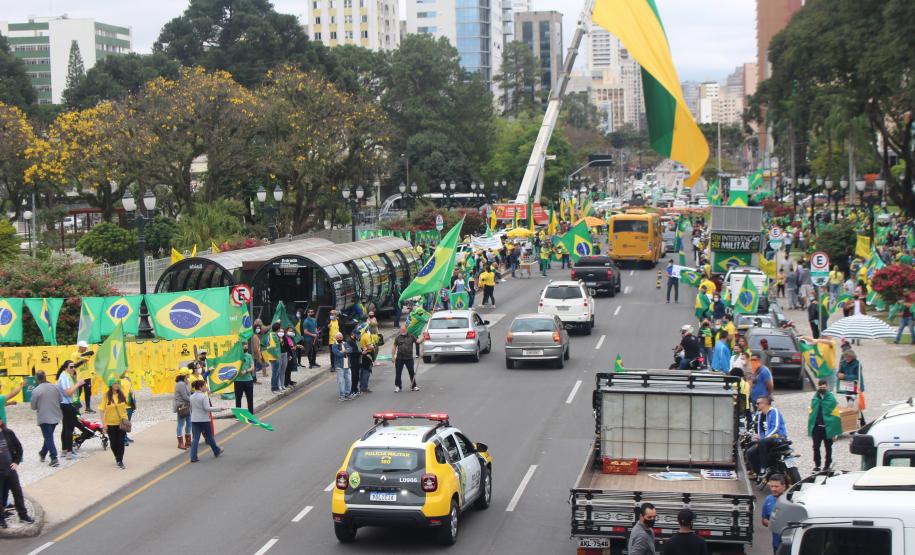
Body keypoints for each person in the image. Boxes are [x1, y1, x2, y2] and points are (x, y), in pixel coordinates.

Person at [0, 418, 33, 529]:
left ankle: (23, 516)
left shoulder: (8, 433)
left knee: (17, 492)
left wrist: (16, 462)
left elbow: (19, 448)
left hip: (10, 470)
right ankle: (1, 519)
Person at [746, 396, 787, 479]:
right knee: (750, 451)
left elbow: (776, 427)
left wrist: (764, 438)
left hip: (777, 437)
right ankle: (758, 474)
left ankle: (763, 468)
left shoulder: (774, 412)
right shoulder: (760, 415)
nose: (756, 405)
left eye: (758, 403)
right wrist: (759, 437)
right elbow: (760, 429)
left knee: (761, 442)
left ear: (765, 404)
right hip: (766, 440)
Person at [808, 379, 841, 471]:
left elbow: (835, 416)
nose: (822, 388)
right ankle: (817, 465)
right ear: (818, 387)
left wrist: (834, 432)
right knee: (816, 447)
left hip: (828, 428)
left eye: (824, 387)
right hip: (817, 428)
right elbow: (812, 413)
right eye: (820, 387)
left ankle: (827, 465)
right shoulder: (815, 398)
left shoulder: (831, 398)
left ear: (826, 387)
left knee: (828, 447)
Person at [29, 371, 61, 467]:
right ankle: (43, 453)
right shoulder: (55, 387)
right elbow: (61, 400)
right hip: (55, 415)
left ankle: (54, 457)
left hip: (44, 417)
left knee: (48, 437)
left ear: (37, 379)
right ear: (45, 377)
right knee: (49, 436)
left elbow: (33, 406)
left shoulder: (36, 390)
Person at [56, 360, 85, 460]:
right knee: (69, 428)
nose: (73, 369)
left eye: (74, 367)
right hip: (67, 404)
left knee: (65, 428)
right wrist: (78, 384)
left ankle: (64, 450)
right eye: (71, 367)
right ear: (65, 368)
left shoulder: (67, 376)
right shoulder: (64, 377)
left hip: (65, 404)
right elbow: (68, 392)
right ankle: (69, 452)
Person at [189, 380, 223, 463]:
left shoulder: (191, 396)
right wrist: (219, 409)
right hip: (204, 419)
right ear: (200, 387)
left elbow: (191, 408)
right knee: (209, 436)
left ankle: (193, 457)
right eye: (205, 386)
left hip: (194, 419)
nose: (206, 387)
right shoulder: (204, 396)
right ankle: (216, 451)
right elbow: (207, 408)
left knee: (195, 438)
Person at [98, 381, 129, 470]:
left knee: (120, 442)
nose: (117, 385)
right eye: (115, 383)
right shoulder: (106, 396)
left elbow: (127, 407)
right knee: (113, 444)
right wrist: (104, 424)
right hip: (110, 424)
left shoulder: (122, 395)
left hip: (121, 423)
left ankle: (120, 460)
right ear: (111, 385)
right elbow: (101, 410)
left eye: (118, 383)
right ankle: (117, 457)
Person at [392, 326, 423, 393]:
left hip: (409, 358)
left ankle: (414, 386)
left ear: (406, 330)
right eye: (401, 330)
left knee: (411, 372)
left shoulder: (411, 336)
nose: (402, 331)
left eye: (403, 329)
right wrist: (393, 356)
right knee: (398, 372)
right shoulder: (398, 337)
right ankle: (398, 386)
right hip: (399, 358)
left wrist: (423, 336)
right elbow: (394, 347)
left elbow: (418, 341)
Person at [761, 474, 787, 553]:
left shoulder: (792, 500)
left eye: (776, 486)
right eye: (771, 486)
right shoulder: (768, 499)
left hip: (790, 544)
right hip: (776, 544)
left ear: (784, 487)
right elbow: (764, 520)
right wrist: (771, 523)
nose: (773, 489)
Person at [69, 341, 94, 412]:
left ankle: (88, 407)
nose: (86, 348)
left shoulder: (86, 353)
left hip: (87, 376)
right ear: (80, 347)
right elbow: (73, 366)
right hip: (79, 377)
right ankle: (76, 408)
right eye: (84, 347)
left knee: (88, 392)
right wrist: (82, 361)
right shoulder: (74, 355)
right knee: (78, 393)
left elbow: (92, 352)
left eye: (86, 347)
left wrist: (84, 355)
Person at [331, 332, 353, 402]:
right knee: (341, 382)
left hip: (347, 365)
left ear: (342, 337)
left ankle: (348, 394)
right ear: (335, 338)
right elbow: (338, 354)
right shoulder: (334, 345)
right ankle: (342, 396)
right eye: (337, 338)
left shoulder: (345, 343)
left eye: (340, 337)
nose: (339, 339)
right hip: (339, 366)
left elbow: (351, 349)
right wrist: (346, 351)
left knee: (348, 380)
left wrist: (343, 351)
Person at [234, 342, 255, 414]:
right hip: (238, 381)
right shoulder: (236, 356)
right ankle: (239, 414)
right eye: (244, 347)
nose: (246, 348)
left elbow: (252, 367)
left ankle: (251, 413)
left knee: (250, 398)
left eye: (246, 347)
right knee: (238, 398)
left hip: (248, 380)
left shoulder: (249, 356)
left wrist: (246, 371)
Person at [358, 326, 376, 393]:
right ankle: (364, 387)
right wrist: (373, 346)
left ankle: (361, 386)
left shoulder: (361, 336)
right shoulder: (366, 336)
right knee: (366, 372)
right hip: (367, 356)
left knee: (362, 371)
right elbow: (369, 346)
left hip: (362, 355)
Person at [346, 329, 363, 396]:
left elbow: (358, 349)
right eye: (357, 334)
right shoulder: (349, 341)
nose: (358, 336)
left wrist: (361, 350)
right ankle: (352, 390)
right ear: (353, 334)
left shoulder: (356, 340)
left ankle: (355, 389)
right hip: (352, 361)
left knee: (356, 376)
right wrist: (361, 352)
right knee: (353, 375)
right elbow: (351, 352)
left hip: (357, 360)